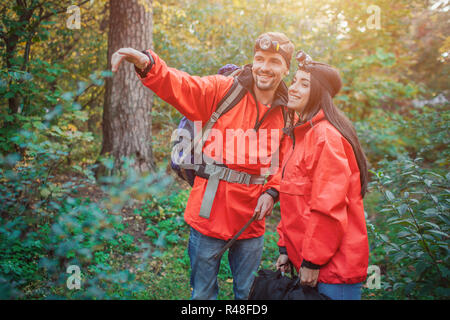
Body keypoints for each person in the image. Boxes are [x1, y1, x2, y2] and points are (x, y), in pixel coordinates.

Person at [111, 32, 295, 299]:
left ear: (286, 68)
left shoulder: (289, 111)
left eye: (275, 61)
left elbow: (286, 161)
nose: (265, 67)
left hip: (251, 219)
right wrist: (149, 64)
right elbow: (183, 86)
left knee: (247, 294)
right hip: (209, 212)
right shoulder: (224, 89)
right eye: (260, 58)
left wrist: (272, 191)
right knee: (203, 295)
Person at [275, 51, 370, 300]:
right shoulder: (301, 134)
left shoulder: (325, 137)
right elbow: (294, 200)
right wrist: (285, 246)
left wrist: (312, 262)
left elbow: (329, 207)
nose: (293, 88)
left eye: (304, 84)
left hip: (333, 271)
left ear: (319, 93)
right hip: (309, 261)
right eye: (294, 81)